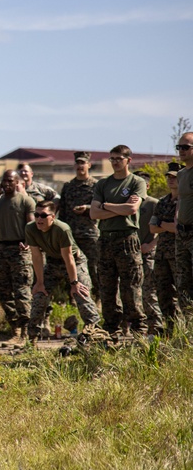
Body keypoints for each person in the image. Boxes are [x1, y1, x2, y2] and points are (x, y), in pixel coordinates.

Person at [89, 145, 147, 338]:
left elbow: (131, 209)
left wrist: (106, 205)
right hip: (105, 240)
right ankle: (112, 331)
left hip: (127, 239)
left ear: (128, 160)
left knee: (130, 288)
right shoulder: (102, 184)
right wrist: (117, 208)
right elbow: (93, 213)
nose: (114, 162)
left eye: (118, 158)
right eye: (112, 158)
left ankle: (139, 331)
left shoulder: (136, 182)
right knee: (106, 288)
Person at [26, 200, 102, 343]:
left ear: (53, 216)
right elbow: (36, 257)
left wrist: (74, 283)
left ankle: (95, 333)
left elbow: (69, 259)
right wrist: (40, 283)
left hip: (75, 262)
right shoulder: (31, 228)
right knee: (39, 296)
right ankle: (32, 339)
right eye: (36, 215)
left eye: (43, 215)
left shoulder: (62, 229)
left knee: (82, 293)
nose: (39, 219)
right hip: (53, 263)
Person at [0, 170, 36, 347]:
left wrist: (28, 242)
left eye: (10, 181)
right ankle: (15, 330)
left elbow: (31, 225)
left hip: (19, 250)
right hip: (1, 249)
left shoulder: (25, 201)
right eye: (4, 180)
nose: (6, 184)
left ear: (17, 182)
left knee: (22, 291)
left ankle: (27, 332)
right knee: (4, 292)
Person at [58, 152, 101, 301]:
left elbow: (101, 207)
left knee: (94, 268)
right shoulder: (68, 186)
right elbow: (62, 212)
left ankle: (97, 298)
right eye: (77, 163)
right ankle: (73, 298)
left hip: (89, 233)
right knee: (70, 268)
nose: (80, 166)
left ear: (89, 165)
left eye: (83, 163)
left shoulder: (96, 186)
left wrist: (88, 208)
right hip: (71, 235)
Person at [150, 163, 179, 326]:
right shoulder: (162, 202)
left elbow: (178, 228)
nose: (171, 180)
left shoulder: (185, 201)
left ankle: (184, 330)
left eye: (174, 177)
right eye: (169, 177)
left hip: (179, 253)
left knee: (182, 293)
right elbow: (152, 227)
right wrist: (168, 225)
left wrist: (163, 224)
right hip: (161, 254)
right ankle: (169, 328)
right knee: (163, 293)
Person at [135, 170, 162, 335]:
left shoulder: (153, 204)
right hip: (130, 255)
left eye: (142, 183)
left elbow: (163, 229)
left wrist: (151, 245)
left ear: (148, 186)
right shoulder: (128, 203)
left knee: (149, 292)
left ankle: (156, 328)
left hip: (147, 254)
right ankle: (134, 328)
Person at [176, 134, 193, 311]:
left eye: (186, 147)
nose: (181, 151)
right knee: (183, 281)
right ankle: (189, 326)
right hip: (182, 233)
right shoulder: (181, 174)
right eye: (179, 147)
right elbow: (180, 200)